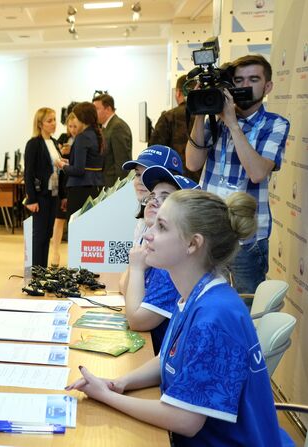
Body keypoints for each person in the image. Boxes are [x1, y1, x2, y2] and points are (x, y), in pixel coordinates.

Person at [67, 189, 282, 446]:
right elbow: (168, 358)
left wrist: (107, 397)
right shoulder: (197, 293)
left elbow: (184, 420)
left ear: (193, 244)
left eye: (162, 227)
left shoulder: (215, 316)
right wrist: (118, 383)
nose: (148, 234)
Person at [186, 54, 290, 294]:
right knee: (207, 298)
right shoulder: (215, 120)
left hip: (248, 236)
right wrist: (201, 112)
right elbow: (192, 163)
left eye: (253, 79)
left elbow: (257, 173)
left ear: (267, 87)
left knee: (248, 305)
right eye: (239, 80)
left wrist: (233, 124)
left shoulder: (275, 124)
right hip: (210, 231)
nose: (245, 86)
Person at [119, 166, 199, 354]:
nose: (154, 202)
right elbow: (124, 287)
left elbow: (137, 321)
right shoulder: (156, 247)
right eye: (153, 196)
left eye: (166, 199)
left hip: (156, 353)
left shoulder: (171, 262)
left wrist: (137, 268)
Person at [122, 145, 184, 245]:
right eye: (138, 174)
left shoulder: (178, 231)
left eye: (148, 175)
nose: (140, 181)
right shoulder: (144, 220)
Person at [24, 107, 61, 267]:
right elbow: (29, 172)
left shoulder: (54, 142)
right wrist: (31, 199)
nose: (53, 123)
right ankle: (35, 271)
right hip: (40, 196)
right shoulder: (33, 144)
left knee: (47, 234)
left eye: (54, 120)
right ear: (40, 124)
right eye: (49, 121)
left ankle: (42, 269)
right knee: (39, 235)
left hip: (54, 194)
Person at [148, 75, 202, 182]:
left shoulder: (168, 117)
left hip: (174, 180)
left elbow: (154, 151)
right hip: (200, 180)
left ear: (178, 92)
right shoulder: (205, 116)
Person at [56, 102, 104, 220]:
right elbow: (88, 163)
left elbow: (78, 170)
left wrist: (62, 165)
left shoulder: (82, 137)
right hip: (94, 186)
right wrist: (69, 164)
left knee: (76, 227)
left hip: (80, 189)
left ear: (81, 118)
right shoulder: (96, 135)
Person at [50, 112, 78, 267]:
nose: (72, 129)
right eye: (70, 126)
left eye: (75, 126)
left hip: (74, 184)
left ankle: (73, 256)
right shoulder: (61, 138)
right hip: (63, 183)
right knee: (59, 220)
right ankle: (55, 253)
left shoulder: (82, 140)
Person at [92, 93, 132, 187]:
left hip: (113, 185)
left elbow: (122, 162)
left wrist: (119, 188)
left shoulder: (117, 127)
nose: (94, 113)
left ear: (108, 109)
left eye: (97, 109)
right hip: (107, 183)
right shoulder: (107, 127)